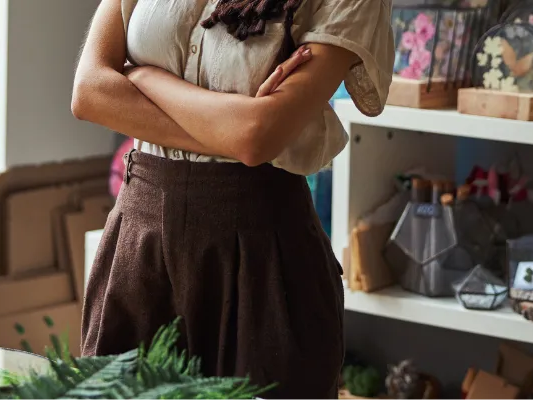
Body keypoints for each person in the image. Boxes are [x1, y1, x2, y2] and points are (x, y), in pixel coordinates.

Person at [72, 0, 393, 397]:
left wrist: (143, 77)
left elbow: (256, 136)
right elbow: (89, 93)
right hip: (139, 246)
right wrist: (231, 130)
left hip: (263, 258)